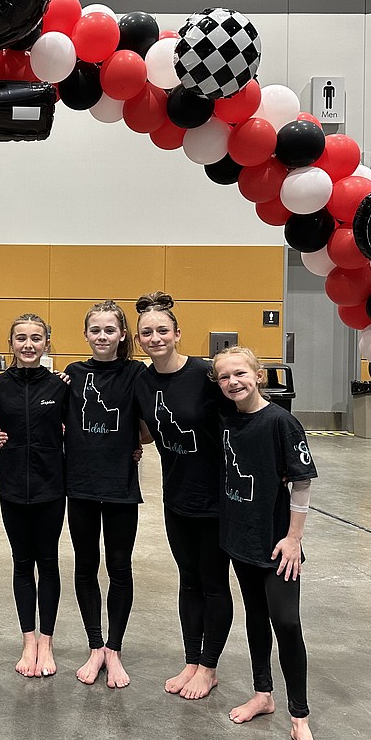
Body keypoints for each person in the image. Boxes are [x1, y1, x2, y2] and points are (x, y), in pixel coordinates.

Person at [211, 345, 321, 740]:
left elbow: (303, 483)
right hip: (239, 538)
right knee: (255, 617)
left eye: (240, 374)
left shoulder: (281, 422)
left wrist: (294, 539)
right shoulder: (226, 419)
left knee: (286, 622)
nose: (232, 382)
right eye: (223, 377)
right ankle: (263, 693)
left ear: (258, 375)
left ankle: (300, 718)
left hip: (277, 545)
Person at [134, 292, 233, 700]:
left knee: (213, 583)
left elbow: (245, 416)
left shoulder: (206, 375)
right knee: (188, 581)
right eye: (147, 332)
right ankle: (192, 659)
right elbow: (143, 429)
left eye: (162, 330)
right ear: (138, 339)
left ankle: (209, 667)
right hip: (176, 497)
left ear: (177, 334)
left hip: (216, 499)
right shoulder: (142, 380)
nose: (155, 337)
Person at [63, 300, 148, 688]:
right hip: (79, 484)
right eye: (95, 330)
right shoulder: (72, 374)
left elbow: (152, 422)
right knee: (85, 565)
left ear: (121, 335)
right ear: (85, 334)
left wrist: (137, 442)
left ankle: (114, 648)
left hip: (119, 487)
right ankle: (94, 645)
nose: (101, 337)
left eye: (109, 330)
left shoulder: (136, 373)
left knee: (118, 567)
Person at [0, 313, 68, 678]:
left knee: (48, 562)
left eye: (36, 338)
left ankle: (46, 642)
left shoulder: (60, 385)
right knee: (22, 563)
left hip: (52, 486)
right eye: (21, 338)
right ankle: (28, 640)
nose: (28, 345)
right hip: (13, 488)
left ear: (47, 344)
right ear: (11, 343)